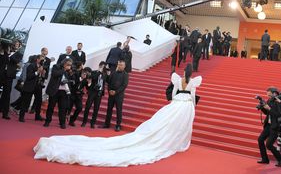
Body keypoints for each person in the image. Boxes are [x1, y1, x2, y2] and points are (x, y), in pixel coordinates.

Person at [34, 64, 202, 167]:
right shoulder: (193, 82)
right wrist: (190, 105)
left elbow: (172, 94)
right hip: (186, 105)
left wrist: (174, 101)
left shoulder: (178, 79)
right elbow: (193, 97)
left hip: (176, 103)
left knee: (164, 122)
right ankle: (174, 141)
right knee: (180, 126)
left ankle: (166, 139)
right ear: (191, 72)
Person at [43, 58, 74, 129]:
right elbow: (55, 74)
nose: (69, 66)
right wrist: (64, 69)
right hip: (55, 90)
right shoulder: (56, 66)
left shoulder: (69, 70)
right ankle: (47, 121)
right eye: (68, 64)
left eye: (70, 65)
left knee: (63, 108)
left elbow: (70, 79)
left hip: (64, 92)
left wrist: (70, 74)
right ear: (64, 63)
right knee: (51, 106)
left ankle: (62, 123)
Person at [101, 60, 129, 132]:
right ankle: (107, 124)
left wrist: (115, 92)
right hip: (111, 94)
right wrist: (109, 91)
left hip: (119, 96)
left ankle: (118, 125)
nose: (120, 66)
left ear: (124, 66)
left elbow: (124, 85)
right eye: (119, 64)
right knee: (109, 109)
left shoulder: (125, 74)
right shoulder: (113, 73)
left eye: (121, 65)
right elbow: (109, 82)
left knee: (119, 110)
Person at [257, 87, 281, 166]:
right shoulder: (270, 100)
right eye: (268, 95)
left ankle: (280, 159)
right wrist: (262, 108)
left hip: (275, 126)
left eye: (269, 95)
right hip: (268, 125)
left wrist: (269, 108)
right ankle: (265, 159)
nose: (268, 97)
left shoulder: (279, 101)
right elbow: (267, 113)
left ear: (274, 93)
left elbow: (279, 115)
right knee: (260, 139)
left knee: (269, 144)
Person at [0, 40, 23, 120]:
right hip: (2, 74)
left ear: (19, 46)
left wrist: (11, 54)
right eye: (15, 43)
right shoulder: (6, 51)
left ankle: (5, 113)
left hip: (9, 76)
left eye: (18, 44)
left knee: (6, 94)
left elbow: (16, 61)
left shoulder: (19, 54)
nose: (16, 45)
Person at [19, 55, 44, 122]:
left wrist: (43, 73)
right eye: (41, 60)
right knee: (26, 101)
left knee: (39, 101)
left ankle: (37, 116)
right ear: (37, 59)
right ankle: (21, 116)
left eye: (43, 60)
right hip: (30, 86)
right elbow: (29, 76)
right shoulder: (31, 65)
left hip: (38, 86)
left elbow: (42, 77)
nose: (42, 61)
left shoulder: (41, 67)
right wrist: (37, 72)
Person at [82, 62, 107, 128]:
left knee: (96, 109)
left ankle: (92, 123)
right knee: (88, 107)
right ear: (99, 66)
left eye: (104, 67)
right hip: (92, 92)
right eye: (102, 66)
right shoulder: (94, 72)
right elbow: (92, 77)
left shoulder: (105, 74)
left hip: (99, 93)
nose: (103, 68)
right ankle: (84, 122)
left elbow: (105, 81)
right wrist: (99, 71)